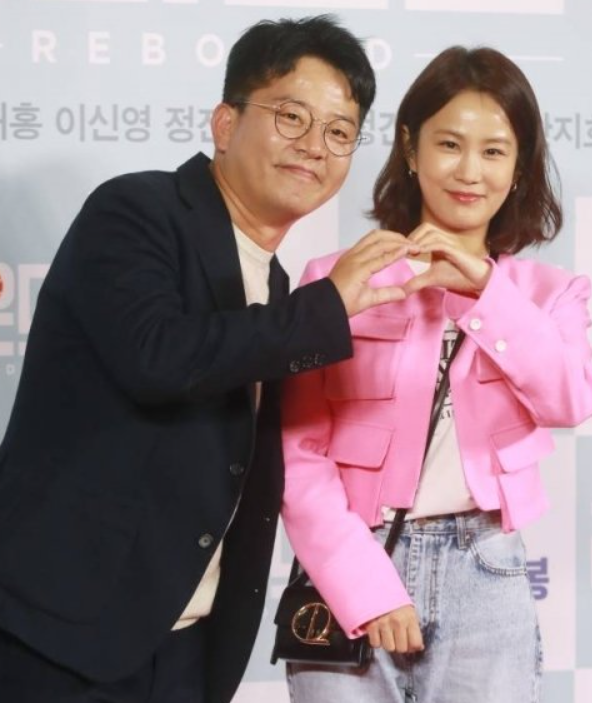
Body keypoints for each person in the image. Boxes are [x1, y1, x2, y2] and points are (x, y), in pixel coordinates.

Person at [0, 15, 408, 703]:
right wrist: (328, 307)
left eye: (340, 132)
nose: (315, 146)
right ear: (225, 123)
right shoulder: (136, 211)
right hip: (61, 640)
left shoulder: (277, 284)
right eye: (292, 117)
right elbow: (159, 357)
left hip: (186, 652)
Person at [280, 46, 592, 703]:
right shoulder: (337, 279)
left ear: (519, 166)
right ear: (410, 148)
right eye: (449, 144)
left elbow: (569, 398)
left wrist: (484, 290)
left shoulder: (553, 294)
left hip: (488, 572)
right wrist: (364, 586)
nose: (469, 171)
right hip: (352, 562)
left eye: (494, 151)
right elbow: (296, 453)